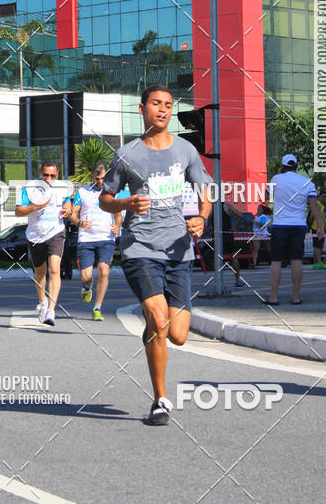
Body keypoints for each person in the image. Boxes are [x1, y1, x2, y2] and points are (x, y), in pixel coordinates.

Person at [99, 84, 212, 426]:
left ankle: (152, 333)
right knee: (159, 320)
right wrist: (125, 203)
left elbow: (205, 189)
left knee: (178, 334)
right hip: (140, 247)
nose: (162, 109)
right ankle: (160, 399)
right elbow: (105, 199)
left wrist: (202, 218)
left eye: (167, 105)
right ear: (142, 109)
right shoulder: (127, 154)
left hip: (178, 249)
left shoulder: (185, 150)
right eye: (155, 103)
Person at [15, 161, 72, 326]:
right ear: (40, 173)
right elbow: (18, 211)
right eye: (45, 175)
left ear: (57, 174)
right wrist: (35, 206)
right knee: (40, 273)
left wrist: (67, 210)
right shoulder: (30, 188)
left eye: (52, 175)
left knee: (54, 269)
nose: (49, 178)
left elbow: (67, 203)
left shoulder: (62, 187)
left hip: (56, 232)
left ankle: (51, 311)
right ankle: (42, 302)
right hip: (35, 235)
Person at [265, 154, 325, 305]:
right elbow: (314, 205)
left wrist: (278, 176)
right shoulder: (307, 182)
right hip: (299, 225)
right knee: (296, 260)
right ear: (296, 166)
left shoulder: (276, 179)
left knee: (276, 261)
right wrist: (320, 226)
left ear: (283, 166)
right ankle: (296, 297)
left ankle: (273, 297)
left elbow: (266, 197)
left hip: (280, 225)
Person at [70, 163, 122, 321]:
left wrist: (117, 226)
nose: (100, 182)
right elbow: (72, 214)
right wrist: (79, 223)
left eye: (103, 178)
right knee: (86, 277)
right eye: (97, 178)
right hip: (86, 239)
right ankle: (87, 286)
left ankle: (97, 308)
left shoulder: (112, 193)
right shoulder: (82, 192)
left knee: (103, 271)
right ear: (92, 176)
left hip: (106, 238)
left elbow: (118, 216)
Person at [222, 198, 247, 287]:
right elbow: (240, 216)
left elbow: (203, 219)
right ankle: (237, 281)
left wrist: (208, 231)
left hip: (216, 235)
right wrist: (236, 228)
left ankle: (218, 282)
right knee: (233, 257)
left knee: (217, 258)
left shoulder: (209, 206)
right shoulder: (226, 205)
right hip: (227, 234)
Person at [309, 198, 326, 269]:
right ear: (320, 196)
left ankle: (316, 263)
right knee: (317, 246)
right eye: (323, 196)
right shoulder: (317, 203)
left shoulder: (321, 205)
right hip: (317, 227)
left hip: (319, 227)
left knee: (317, 245)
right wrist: (310, 224)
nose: (325, 198)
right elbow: (312, 215)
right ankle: (319, 262)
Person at [251, 203, 270, 269]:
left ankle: (275, 261)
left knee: (268, 249)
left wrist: (255, 222)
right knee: (255, 249)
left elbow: (262, 225)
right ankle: (254, 263)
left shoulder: (263, 217)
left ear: (262, 210)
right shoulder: (256, 217)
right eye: (258, 209)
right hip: (256, 235)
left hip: (264, 235)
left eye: (260, 209)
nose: (258, 210)